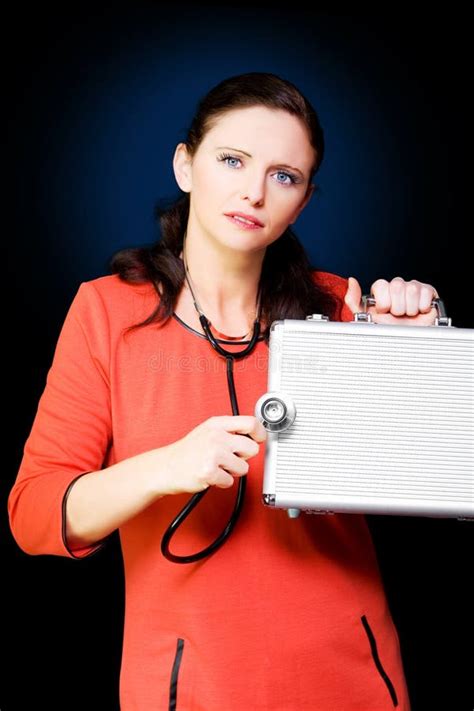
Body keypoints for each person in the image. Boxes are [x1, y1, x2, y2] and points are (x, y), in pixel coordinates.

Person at [8, 71, 440, 710]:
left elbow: (419, 472)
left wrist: (417, 362)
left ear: (305, 200)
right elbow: (36, 515)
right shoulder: (104, 312)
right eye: (232, 160)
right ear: (185, 165)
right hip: (187, 686)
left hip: (351, 677)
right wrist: (165, 467)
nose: (254, 192)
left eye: (284, 176)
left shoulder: (341, 307)